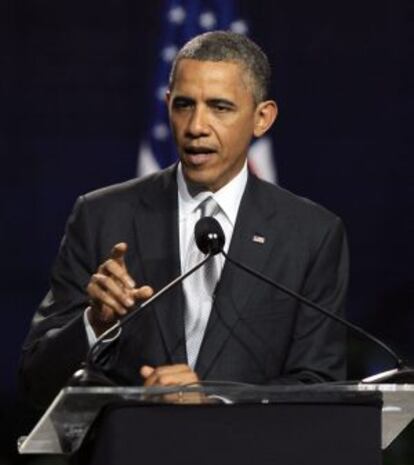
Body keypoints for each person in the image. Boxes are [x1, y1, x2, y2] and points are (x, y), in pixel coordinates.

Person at [20, 31, 348, 409]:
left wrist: (214, 403)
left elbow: (318, 386)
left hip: (251, 462)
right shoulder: (101, 217)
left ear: (262, 118)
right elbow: (36, 381)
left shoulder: (311, 235)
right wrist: (95, 326)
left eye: (220, 107)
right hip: (132, 459)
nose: (195, 127)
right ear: (167, 105)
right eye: (184, 105)